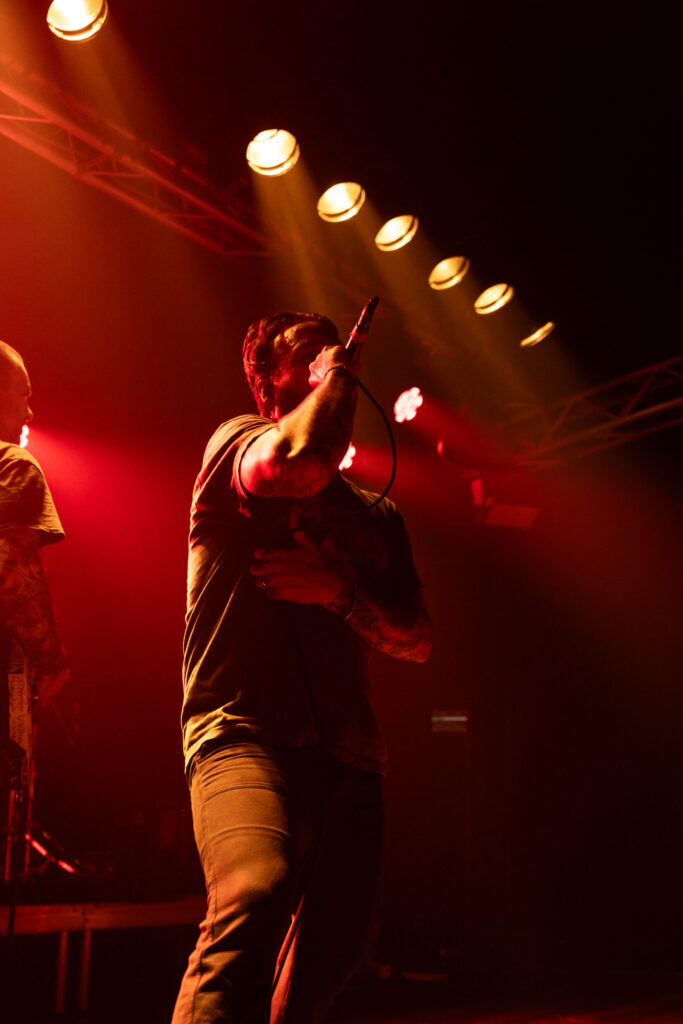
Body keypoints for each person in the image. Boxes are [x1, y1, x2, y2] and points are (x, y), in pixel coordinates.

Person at [173, 311, 431, 1023]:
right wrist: (337, 373)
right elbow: (299, 463)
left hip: (352, 757)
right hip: (243, 733)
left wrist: (335, 592)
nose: (327, 358)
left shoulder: (378, 516)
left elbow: (417, 639)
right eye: (306, 355)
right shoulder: (238, 443)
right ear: (265, 383)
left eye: (334, 350)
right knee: (256, 891)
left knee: (335, 950)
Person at [0, 341, 68, 790]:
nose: (29, 412)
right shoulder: (13, 465)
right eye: (23, 394)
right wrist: (50, 663)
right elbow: (11, 575)